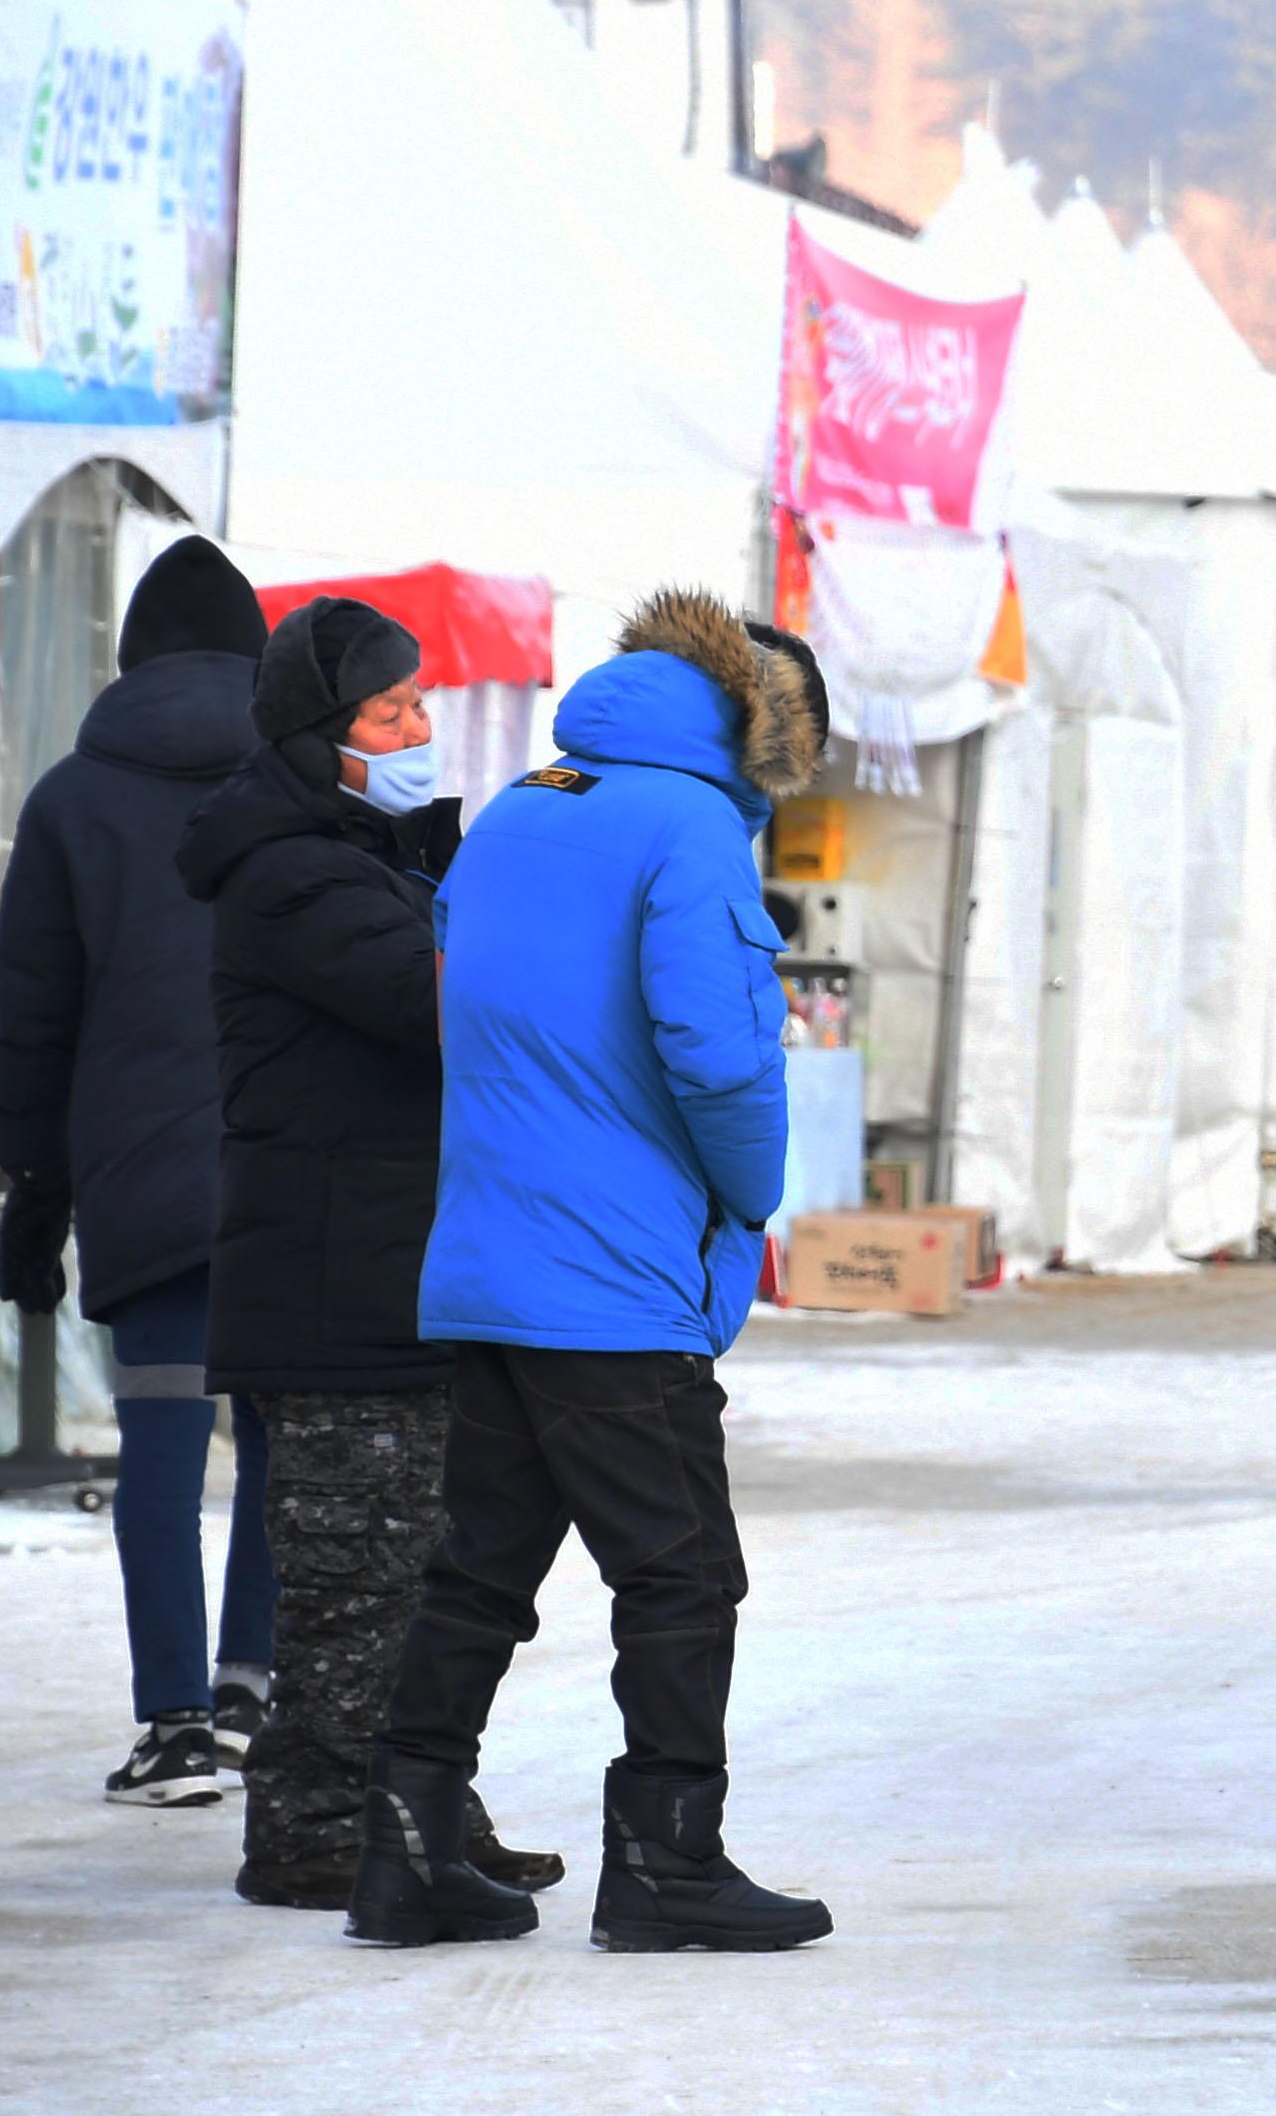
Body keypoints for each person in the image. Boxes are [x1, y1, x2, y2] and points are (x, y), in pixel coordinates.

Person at [355, 591, 830, 1954]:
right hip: (613, 1282)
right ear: (755, 729)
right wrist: (751, 1195)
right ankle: (669, 1858)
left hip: (490, 1265)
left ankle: (408, 1848)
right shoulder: (686, 829)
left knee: (478, 1571)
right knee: (682, 1575)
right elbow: (721, 1052)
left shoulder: (514, 813)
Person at [177, 597, 555, 1911]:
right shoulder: (296, 874)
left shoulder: (358, 855)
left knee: (414, 1564)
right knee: (355, 1577)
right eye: (390, 711)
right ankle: (315, 1827)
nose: (418, 728)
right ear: (316, 736)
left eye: (418, 704)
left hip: (387, 1262)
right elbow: (427, 1004)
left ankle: (416, 1801)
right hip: (338, 1275)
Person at [0, 536, 279, 1809]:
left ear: (132, 659)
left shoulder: (66, 799)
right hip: (288, 1176)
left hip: (143, 1184)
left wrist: (35, 1203)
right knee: (277, 1440)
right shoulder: (311, 784)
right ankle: (255, 1687)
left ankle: (172, 1728)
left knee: (160, 1447)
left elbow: (31, 1025)